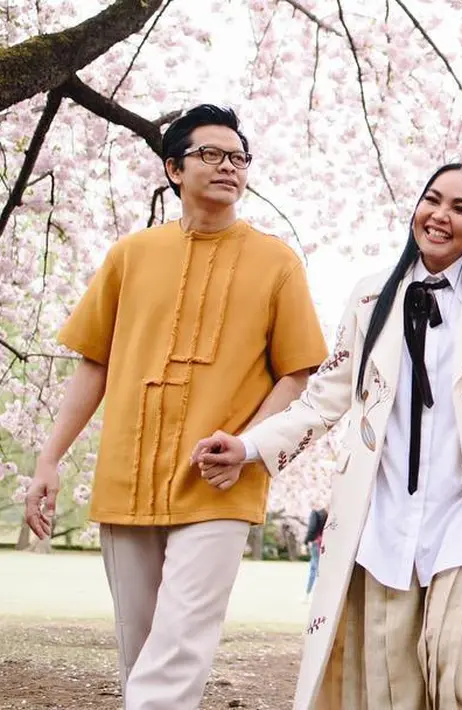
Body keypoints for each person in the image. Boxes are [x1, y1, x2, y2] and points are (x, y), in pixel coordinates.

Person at [193, 163, 462, 709]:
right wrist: (249, 446)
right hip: (385, 512)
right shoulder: (372, 299)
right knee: (390, 683)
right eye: (432, 200)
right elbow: (325, 398)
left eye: (460, 209)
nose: (440, 216)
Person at [23, 104, 328, 709]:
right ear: (173, 168)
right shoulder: (130, 255)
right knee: (139, 650)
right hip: (125, 478)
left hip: (218, 482)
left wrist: (247, 447)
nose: (228, 167)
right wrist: (49, 459)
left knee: (181, 644)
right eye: (210, 155)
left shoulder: (278, 262)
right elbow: (94, 361)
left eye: (238, 158)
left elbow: (298, 372)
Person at [304, 505, 329, 599]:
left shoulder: (316, 512)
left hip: (316, 543)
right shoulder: (327, 513)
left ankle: (308, 593)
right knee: (319, 568)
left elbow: (312, 528)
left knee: (314, 568)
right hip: (324, 542)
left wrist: (306, 541)